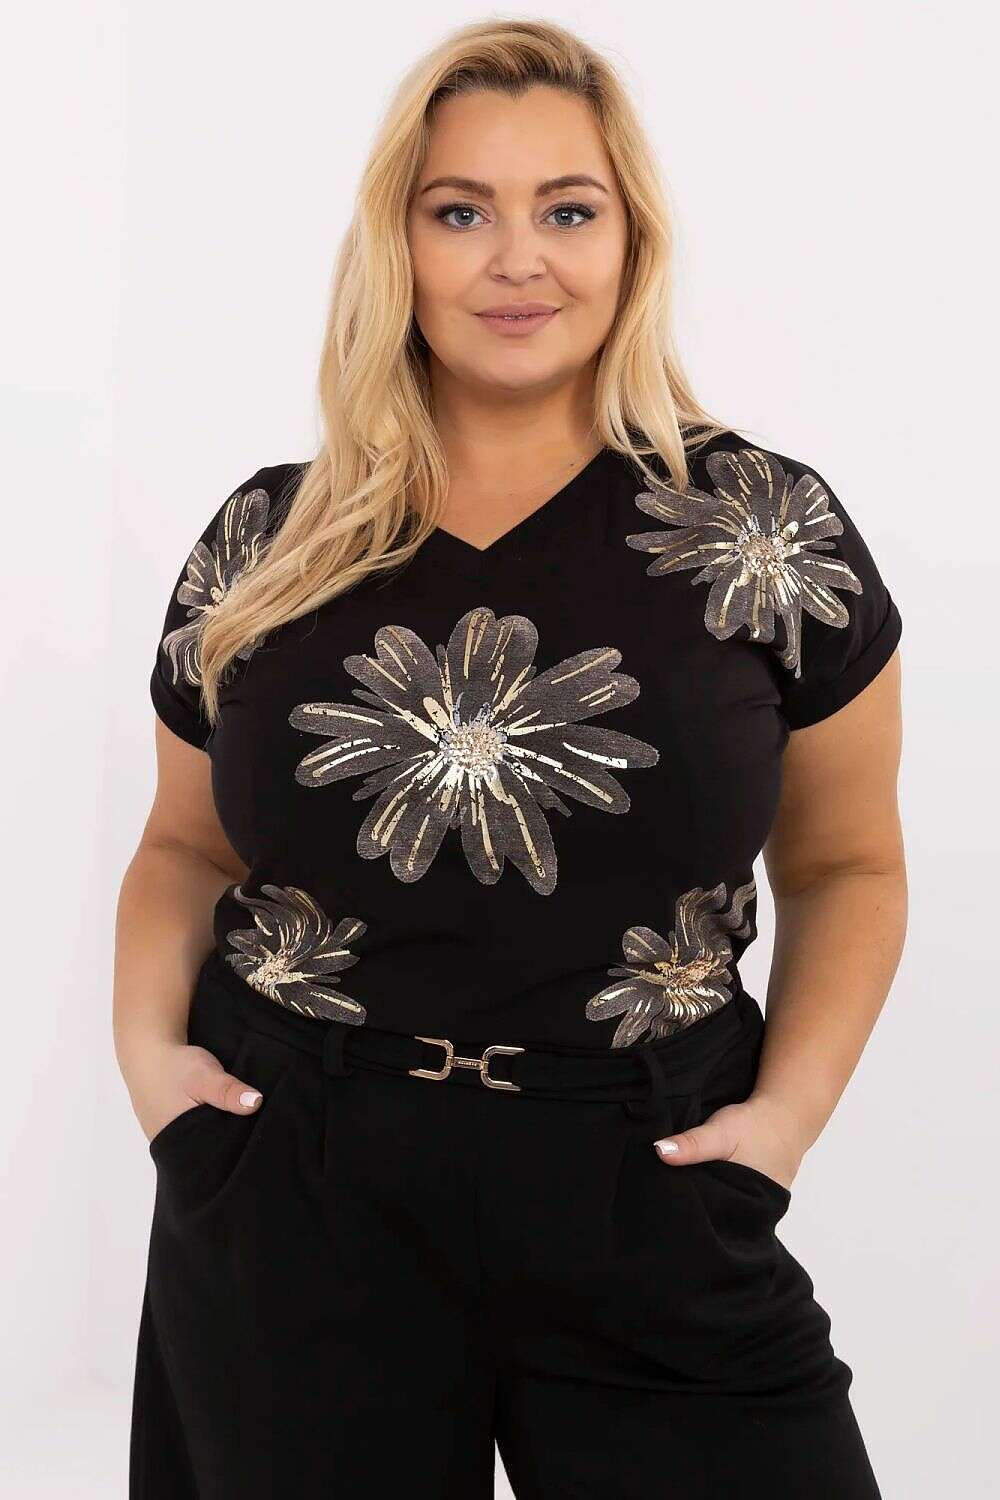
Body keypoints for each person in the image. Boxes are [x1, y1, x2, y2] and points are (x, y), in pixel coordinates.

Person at [115, 17, 906, 1499]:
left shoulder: (763, 530)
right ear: (397, 245)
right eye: (461, 211)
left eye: (569, 210)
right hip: (297, 1189)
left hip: (652, 1185)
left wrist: (781, 1129)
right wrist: (157, 1077)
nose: (517, 259)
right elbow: (182, 848)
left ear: (632, 239)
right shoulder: (270, 538)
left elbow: (850, 862)